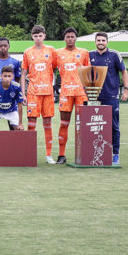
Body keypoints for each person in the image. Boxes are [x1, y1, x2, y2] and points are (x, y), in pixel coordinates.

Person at [89, 32, 128, 165]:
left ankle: (115, 154)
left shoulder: (114, 55)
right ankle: (94, 154)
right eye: (98, 40)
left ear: (107, 42)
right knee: (94, 127)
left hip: (111, 96)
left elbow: (124, 72)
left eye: (103, 40)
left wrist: (126, 89)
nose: (101, 42)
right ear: (95, 42)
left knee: (113, 126)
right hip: (94, 97)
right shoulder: (89, 55)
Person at [20, 25, 58, 164]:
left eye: (40, 35)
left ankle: (49, 155)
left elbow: (54, 68)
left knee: (47, 123)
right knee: (31, 123)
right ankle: (30, 154)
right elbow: (23, 74)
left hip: (47, 92)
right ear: (32, 37)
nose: (38, 38)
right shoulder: (27, 52)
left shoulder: (51, 51)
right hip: (33, 93)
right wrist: (23, 93)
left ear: (44, 36)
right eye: (35, 36)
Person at [55, 27, 91, 164]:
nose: (70, 39)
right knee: (64, 123)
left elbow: (88, 73)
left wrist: (89, 91)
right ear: (64, 38)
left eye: (72, 37)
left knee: (82, 124)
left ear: (76, 38)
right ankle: (61, 155)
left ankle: (83, 154)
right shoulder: (57, 53)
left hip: (81, 93)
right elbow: (51, 69)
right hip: (65, 93)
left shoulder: (84, 52)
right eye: (67, 37)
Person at [0, 66, 24, 131]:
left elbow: (20, 104)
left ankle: (13, 141)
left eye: (9, 76)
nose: (7, 78)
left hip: (11, 110)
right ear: (1, 76)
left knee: (19, 130)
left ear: (13, 76)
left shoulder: (17, 86)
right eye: (5, 76)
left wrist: (20, 123)